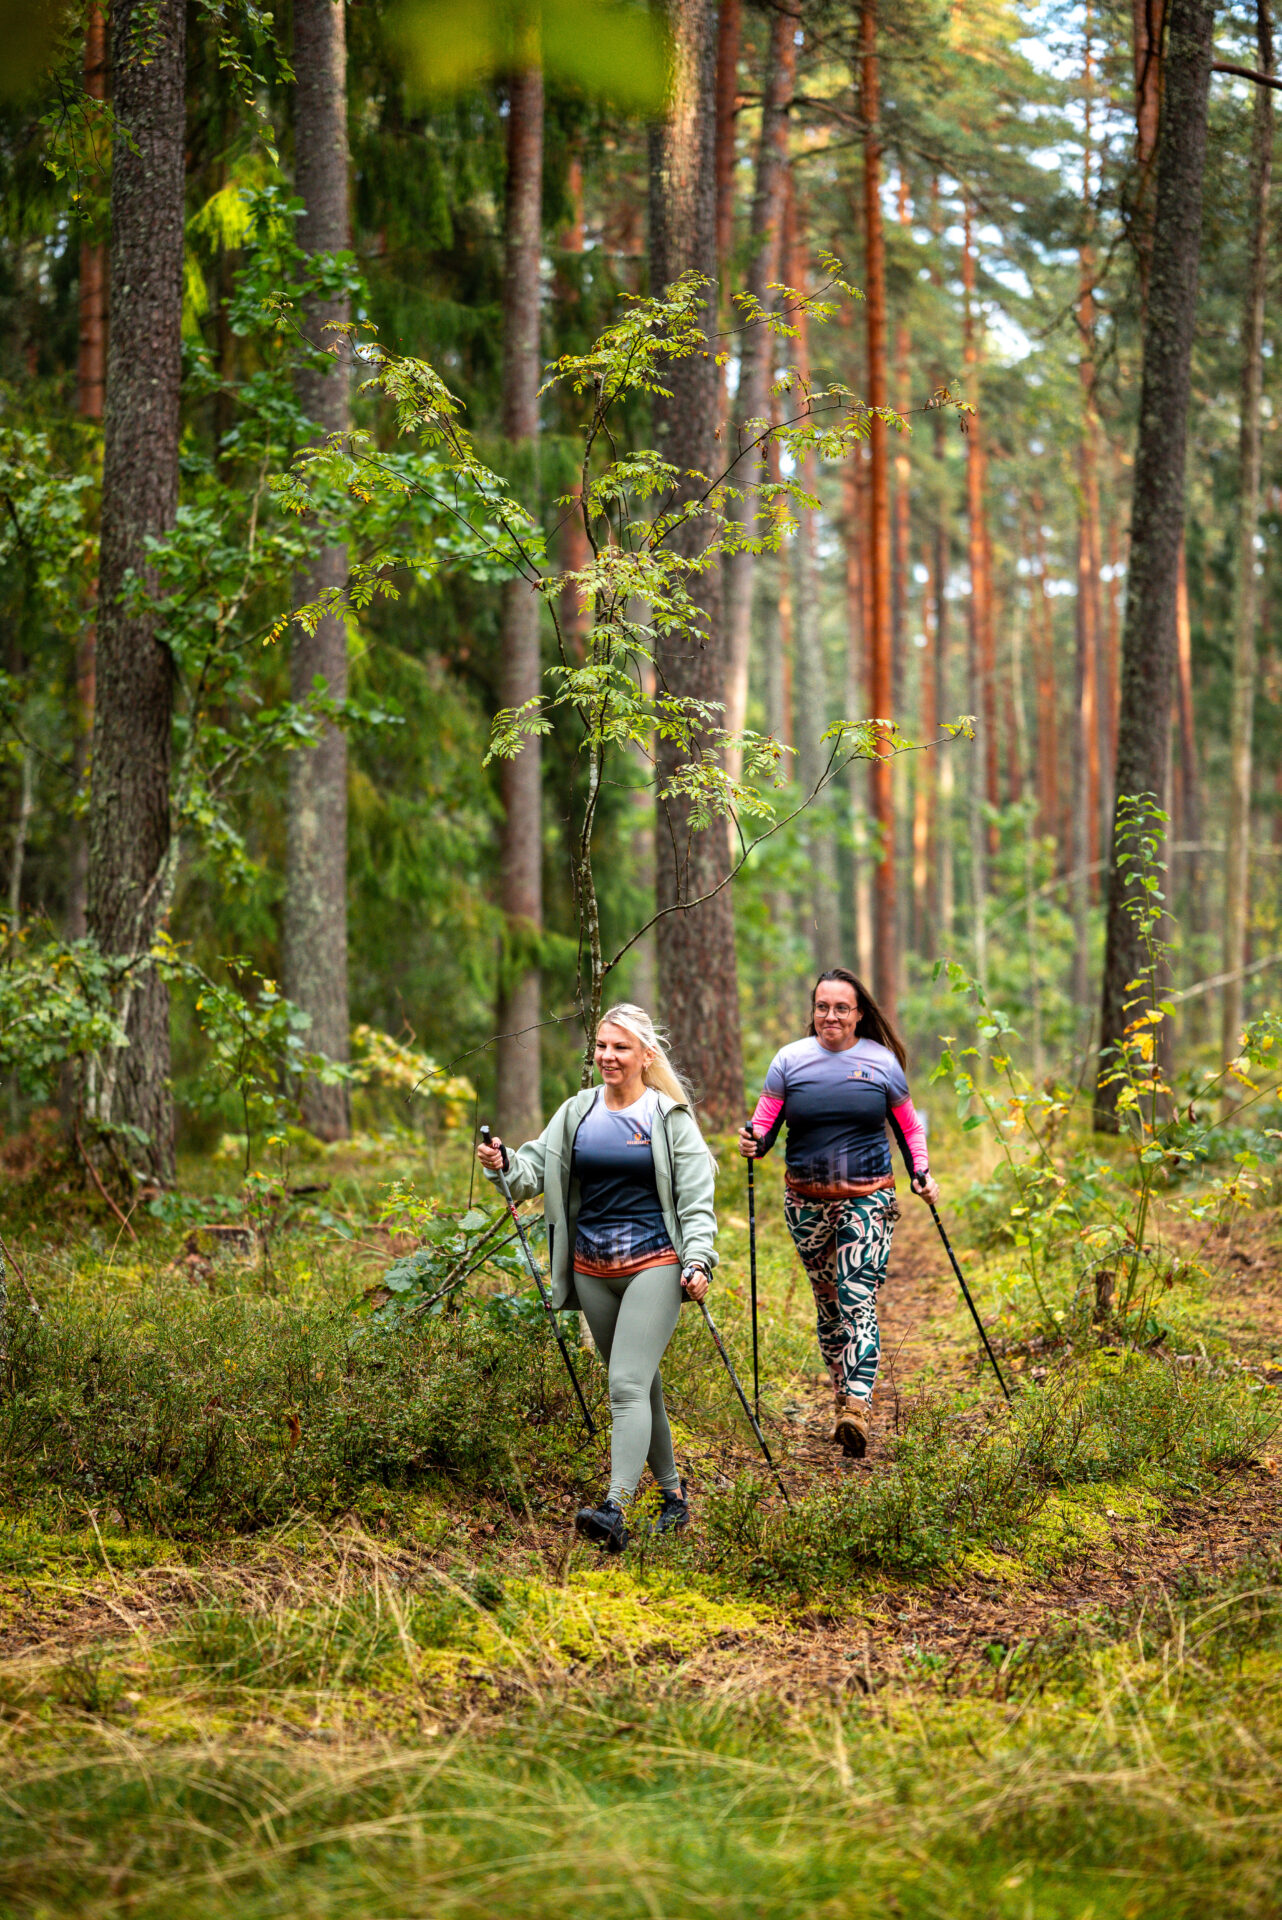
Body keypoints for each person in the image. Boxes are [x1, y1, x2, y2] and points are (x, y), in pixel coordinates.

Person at [477, 1003, 717, 1554]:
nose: (608, 1056)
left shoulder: (667, 1117)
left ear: (645, 1055)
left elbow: (696, 1202)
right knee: (642, 1385)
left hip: (655, 1265)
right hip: (590, 1270)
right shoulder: (576, 1112)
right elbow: (530, 1174)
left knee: (625, 1386)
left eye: (620, 1048)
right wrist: (502, 1162)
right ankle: (674, 1499)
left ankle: (615, 1508)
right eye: (603, 1046)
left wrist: (699, 1260)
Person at [738, 968, 939, 1459]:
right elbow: (764, 1130)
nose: (831, 1015)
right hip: (805, 1203)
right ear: (813, 1011)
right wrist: (752, 1141)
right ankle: (842, 1397)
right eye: (822, 1007)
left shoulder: (881, 1062)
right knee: (829, 1307)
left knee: (855, 1295)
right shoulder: (789, 1061)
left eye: (841, 1008)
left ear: (859, 1014)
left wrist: (921, 1171)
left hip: (868, 1198)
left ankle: (858, 1404)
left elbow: (909, 1129)